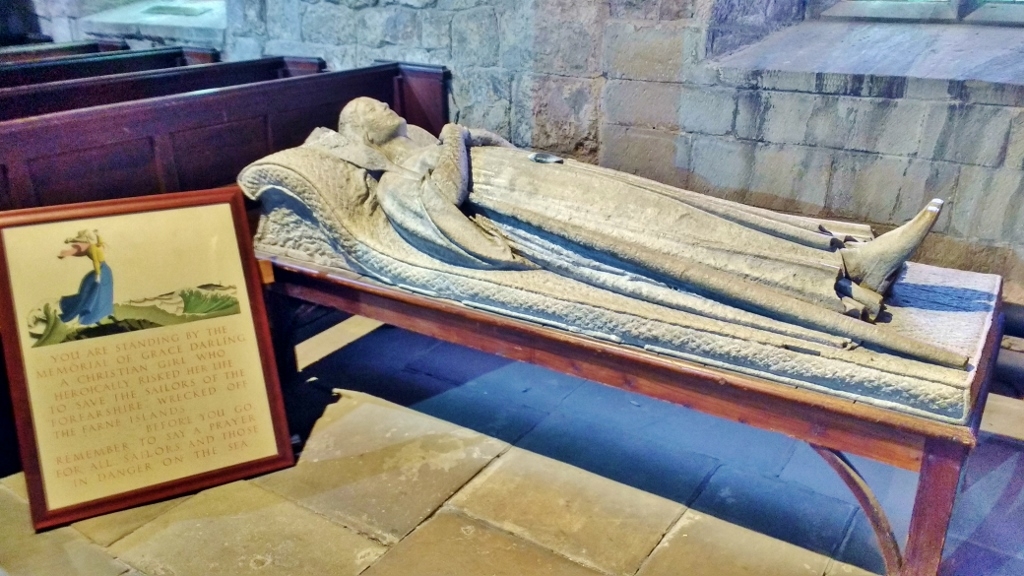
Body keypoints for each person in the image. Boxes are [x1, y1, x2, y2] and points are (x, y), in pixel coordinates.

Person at [239, 98, 966, 370]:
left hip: (558, 182)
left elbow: (482, 145)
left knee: (688, 217)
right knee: (676, 249)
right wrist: (456, 150)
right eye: (389, 125)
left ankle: (839, 255)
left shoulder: (449, 139)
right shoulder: (401, 179)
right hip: (546, 216)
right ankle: (833, 283)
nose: (403, 124)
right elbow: (451, 230)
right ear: (372, 140)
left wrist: (467, 139)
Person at [57, 229, 114, 325]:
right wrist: (97, 235)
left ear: (85, 241)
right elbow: (99, 243)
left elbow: (95, 261)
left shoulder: (92, 248)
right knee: (94, 292)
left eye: (80, 241)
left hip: (101, 271)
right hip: (104, 270)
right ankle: (94, 316)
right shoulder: (92, 247)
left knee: (98, 293)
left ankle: (95, 316)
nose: (78, 243)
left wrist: (98, 275)